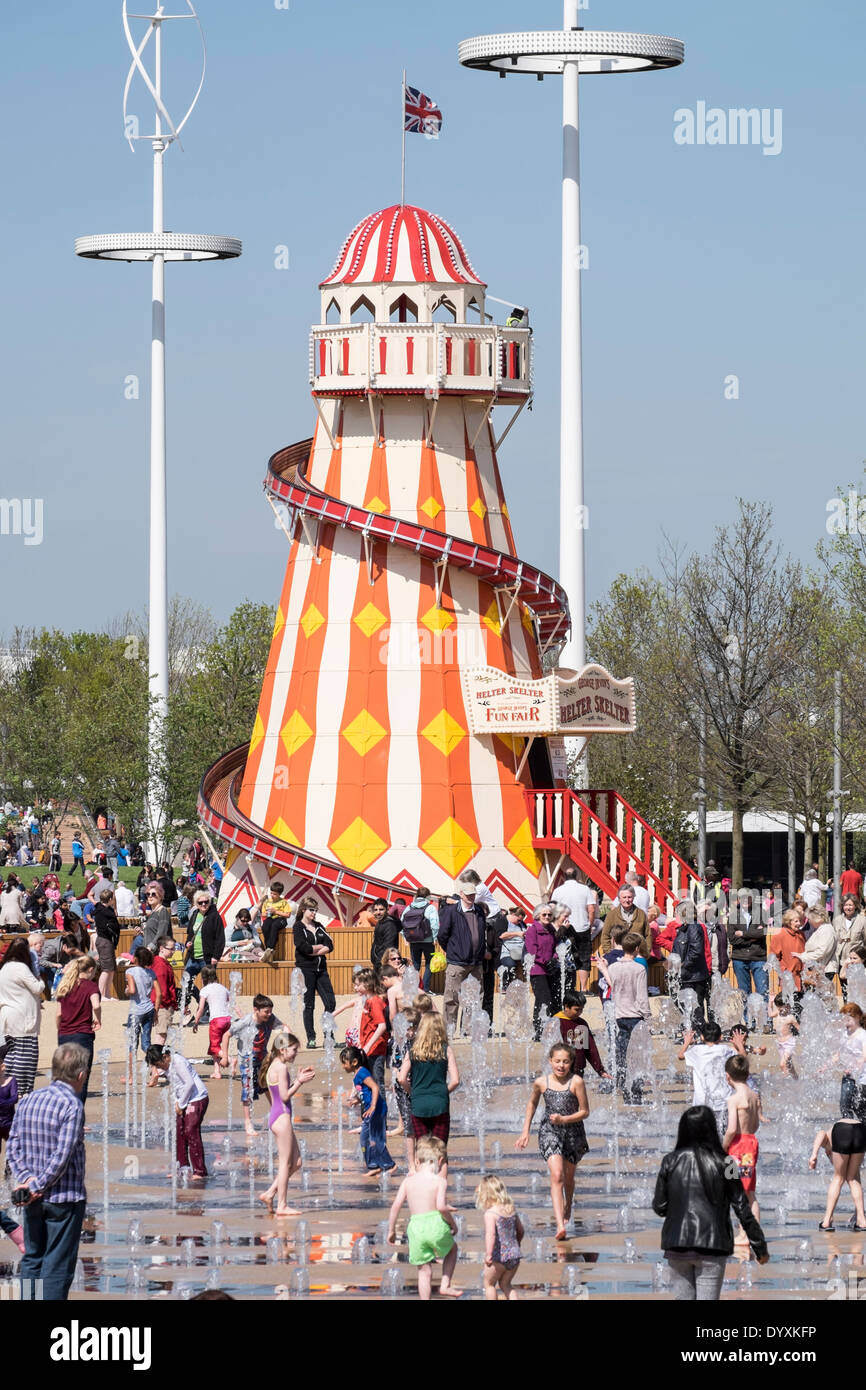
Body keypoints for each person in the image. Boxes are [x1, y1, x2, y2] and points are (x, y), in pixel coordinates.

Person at [653, 1105, 768, 1300]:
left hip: (677, 1245)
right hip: (712, 1245)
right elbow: (741, 1205)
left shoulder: (669, 1161)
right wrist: (759, 1246)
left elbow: (660, 1206)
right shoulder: (727, 1163)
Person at [7, 1041, 90, 1301]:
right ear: (81, 1075)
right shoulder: (72, 1105)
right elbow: (61, 1156)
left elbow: (13, 1146)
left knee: (33, 1258)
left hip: (31, 1196)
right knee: (57, 1265)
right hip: (64, 1198)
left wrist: (27, 1181)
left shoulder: (30, 1099)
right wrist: (37, 1185)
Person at [516, 1041, 589, 1240]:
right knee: (556, 1175)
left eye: (565, 1062)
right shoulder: (541, 1082)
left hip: (573, 1132)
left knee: (568, 1177)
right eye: (557, 1061)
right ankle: (559, 1225)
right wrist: (525, 1131)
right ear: (550, 1061)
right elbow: (532, 1104)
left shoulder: (577, 1082)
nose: (561, 1065)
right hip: (549, 1131)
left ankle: (569, 1203)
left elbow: (585, 1111)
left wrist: (565, 1119)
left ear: (571, 1062)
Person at [386, 1134, 460, 1299]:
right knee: (452, 1250)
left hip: (415, 1229)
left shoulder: (407, 1182)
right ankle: (445, 1285)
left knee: (424, 1271)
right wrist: (453, 1224)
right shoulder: (439, 1182)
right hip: (435, 1224)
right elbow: (441, 1207)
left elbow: (396, 1205)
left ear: (417, 1162)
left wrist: (391, 1230)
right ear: (440, 1161)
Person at [257, 1031, 315, 1215]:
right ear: (283, 1050)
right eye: (294, 1050)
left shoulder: (275, 1064)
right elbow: (284, 1096)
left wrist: (296, 1078)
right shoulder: (280, 1068)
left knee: (296, 1162)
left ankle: (270, 1193)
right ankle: (281, 1205)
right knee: (284, 1163)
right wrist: (299, 1081)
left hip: (278, 1116)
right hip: (281, 1117)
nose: (296, 1053)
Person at [397, 1011, 459, 1174]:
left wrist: (413, 1092)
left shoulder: (413, 1052)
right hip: (440, 1105)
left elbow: (401, 1078)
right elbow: (455, 1081)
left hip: (419, 1106)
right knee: (441, 1153)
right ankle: (441, 1193)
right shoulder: (446, 1050)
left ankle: (422, 1191)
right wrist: (442, 1093)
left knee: (423, 1152)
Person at [596, 932, 651, 1102]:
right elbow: (642, 996)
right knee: (637, 1057)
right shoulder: (639, 968)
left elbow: (613, 986)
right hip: (635, 1017)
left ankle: (623, 1088)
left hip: (618, 1016)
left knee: (622, 1055)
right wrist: (648, 1017)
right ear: (636, 949)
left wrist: (604, 969)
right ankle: (635, 1092)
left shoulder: (614, 967)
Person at [146, 1045, 209, 1180]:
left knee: (190, 1130)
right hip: (184, 1100)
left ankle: (200, 1171)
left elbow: (189, 1084)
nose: (160, 1067)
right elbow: (174, 1082)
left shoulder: (177, 1061)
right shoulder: (166, 1064)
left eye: (159, 1064)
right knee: (179, 1132)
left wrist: (180, 1104)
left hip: (198, 1098)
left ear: (165, 1057)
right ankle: (182, 1169)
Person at [222, 995, 282, 1136]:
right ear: (256, 1009)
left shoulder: (270, 1018)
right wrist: (225, 1056)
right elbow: (226, 1035)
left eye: (270, 1011)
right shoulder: (245, 1022)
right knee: (248, 1091)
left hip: (263, 1060)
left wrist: (288, 1035)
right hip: (247, 1062)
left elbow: (283, 1026)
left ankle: (276, 1113)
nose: (269, 1014)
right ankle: (248, 1122)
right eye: (266, 1012)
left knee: (269, 1085)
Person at [436, 875, 488, 1034]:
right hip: (457, 963)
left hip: (476, 963)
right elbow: (442, 936)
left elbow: (481, 933)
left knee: (474, 1000)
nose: (470, 897)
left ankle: (468, 1030)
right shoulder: (451, 911)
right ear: (461, 894)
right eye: (467, 894)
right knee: (451, 999)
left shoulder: (479, 911)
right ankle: (449, 1031)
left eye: (473, 894)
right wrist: (453, 951)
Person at [722, 1054, 762, 1242]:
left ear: (727, 1076)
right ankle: (752, 1233)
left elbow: (730, 1129)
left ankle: (744, 1235)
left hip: (737, 1147)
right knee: (749, 1191)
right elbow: (755, 1126)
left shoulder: (734, 1099)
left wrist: (723, 1147)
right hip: (751, 1143)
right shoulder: (754, 1096)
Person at [340, 1044, 395, 1176]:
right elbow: (367, 1092)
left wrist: (373, 1106)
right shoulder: (358, 1074)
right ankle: (373, 1165)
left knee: (376, 1139)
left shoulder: (363, 1072)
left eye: (344, 1063)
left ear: (354, 1062)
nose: (343, 1066)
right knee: (364, 1139)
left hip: (376, 1110)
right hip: (370, 1111)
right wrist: (358, 1100)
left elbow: (375, 1087)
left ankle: (390, 1165)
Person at [809, 1106, 866, 1232]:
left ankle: (827, 1220)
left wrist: (814, 1154)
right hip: (861, 1130)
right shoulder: (833, 1145)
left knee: (838, 1178)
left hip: (842, 1130)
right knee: (853, 1179)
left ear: (828, 1153)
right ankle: (862, 1220)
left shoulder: (828, 1142)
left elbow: (821, 1133)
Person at [0, 937, 44, 1095]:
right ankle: (21, 1089)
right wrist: (36, 971)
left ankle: (6, 1085)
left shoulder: (5, 967)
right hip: (22, 1016)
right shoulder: (20, 967)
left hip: (8, 1015)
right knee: (26, 1053)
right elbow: (38, 987)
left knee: (12, 1052)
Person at [55, 957, 101, 1106]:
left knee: (65, 1075)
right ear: (90, 970)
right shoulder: (91, 986)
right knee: (81, 1077)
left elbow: (58, 1014)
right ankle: (77, 1117)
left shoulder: (65, 985)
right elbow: (96, 1005)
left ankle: (62, 1113)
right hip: (83, 1035)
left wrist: (60, 1029)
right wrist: (98, 1019)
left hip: (64, 1035)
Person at [677, 1021, 734, 1137]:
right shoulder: (725, 1050)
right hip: (723, 1101)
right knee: (723, 1134)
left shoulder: (696, 1051)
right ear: (721, 1037)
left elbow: (680, 1055)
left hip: (701, 1103)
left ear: (702, 1037)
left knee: (703, 1136)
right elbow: (741, 1055)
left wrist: (687, 1042)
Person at [292, 899, 336, 1049]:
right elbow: (303, 947)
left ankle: (328, 1035)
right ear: (303, 909)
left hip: (321, 970)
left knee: (330, 1002)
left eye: (316, 910)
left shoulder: (319, 927)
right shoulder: (298, 927)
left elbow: (330, 945)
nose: (314, 913)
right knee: (309, 1004)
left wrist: (315, 950)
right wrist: (317, 949)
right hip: (306, 969)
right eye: (311, 909)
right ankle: (311, 1037)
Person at [476, 1175, 523, 1301]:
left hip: (499, 1256)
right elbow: (521, 1230)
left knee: (489, 1284)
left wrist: (489, 1254)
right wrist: (516, 1244)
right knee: (506, 1285)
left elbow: (490, 1235)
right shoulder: (511, 1209)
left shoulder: (490, 1213)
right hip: (514, 1255)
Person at [551, 868, 596, 990]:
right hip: (582, 926)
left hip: (564, 926)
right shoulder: (585, 889)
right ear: (576, 876)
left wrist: (556, 925)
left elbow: (552, 909)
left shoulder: (558, 890)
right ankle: (583, 988)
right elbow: (591, 909)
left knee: (564, 956)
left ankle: (565, 986)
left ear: (564, 876)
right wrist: (590, 925)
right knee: (584, 958)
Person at [554, 989, 610, 1082]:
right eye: (576, 1009)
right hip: (561, 1072)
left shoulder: (582, 1023)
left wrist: (600, 1070)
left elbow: (590, 1049)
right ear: (566, 1007)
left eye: (581, 1009)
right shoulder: (557, 1022)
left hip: (578, 1071)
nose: (580, 1013)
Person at [0, 1049, 24, 1253]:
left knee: (12, 1156)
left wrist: (3, 1102)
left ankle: (9, 1179)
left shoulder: (11, 1081)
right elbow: (12, 1099)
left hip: (10, 1124)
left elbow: (14, 1098)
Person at [524, 903, 559, 1040]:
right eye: (544, 914)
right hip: (537, 970)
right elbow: (532, 951)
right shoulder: (533, 930)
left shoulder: (551, 929)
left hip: (549, 970)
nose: (547, 917)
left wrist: (554, 959)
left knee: (547, 1000)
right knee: (544, 1000)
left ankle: (544, 1030)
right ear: (538, 915)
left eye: (549, 915)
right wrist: (546, 961)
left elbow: (556, 947)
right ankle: (539, 1031)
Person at [726, 897, 768, 1006]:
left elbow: (763, 932)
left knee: (763, 990)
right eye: (743, 898)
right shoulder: (733, 916)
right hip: (740, 958)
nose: (746, 901)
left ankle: (766, 1020)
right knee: (744, 992)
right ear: (739, 899)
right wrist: (752, 939)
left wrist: (744, 935)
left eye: (748, 898)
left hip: (758, 957)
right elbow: (732, 939)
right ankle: (748, 1021)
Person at [148, 936, 179, 1079]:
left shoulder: (159, 963)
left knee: (160, 1036)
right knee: (160, 1037)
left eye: (174, 948)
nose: (173, 951)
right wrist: (170, 1003)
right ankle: (155, 1067)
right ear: (161, 948)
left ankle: (154, 1066)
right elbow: (162, 990)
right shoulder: (160, 965)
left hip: (162, 1004)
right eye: (171, 948)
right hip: (162, 1005)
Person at [193, 966, 232, 1080]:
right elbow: (232, 1004)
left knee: (214, 1047)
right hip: (227, 1019)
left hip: (216, 1020)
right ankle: (217, 1071)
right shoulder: (223, 988)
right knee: (216, 1046)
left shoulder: (205, 990)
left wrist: (196, 1022)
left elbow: (200, 1008)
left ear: (203, 978)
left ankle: (230, 1060)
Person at [182, 889, 223, 995]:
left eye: (206, 902)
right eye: (200, 902)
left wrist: (216, 956)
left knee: (209, 986)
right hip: (193, 956)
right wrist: (187, 943)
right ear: (196, 904)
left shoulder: (215, 916)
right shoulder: (195, 914)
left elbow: (220, 938)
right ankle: (199, 999)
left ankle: (208, 1008)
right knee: (185, 981)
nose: (204, 904)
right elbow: (190, 934)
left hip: (208, 958)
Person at [400, 889, 439, 990]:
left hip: (413, 940)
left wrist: (405, 938)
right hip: (428, 940)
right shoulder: (430, 907)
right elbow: (435, 924)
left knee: (415, 965)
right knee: (430, 964)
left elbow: (402, 923)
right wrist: (435, 938)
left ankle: (415, 988)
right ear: (428, 896)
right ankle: (425, 988)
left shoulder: (409, 907)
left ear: (416, 896)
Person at [768, 908, 805, 1013]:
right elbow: (773, 957)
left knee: (799, 1007)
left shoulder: (801, 934)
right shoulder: (780, 934)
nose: (799, 923)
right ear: (789, 922)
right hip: (787, 977)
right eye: (796, 921)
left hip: (800, 976)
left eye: (800, 921)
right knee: (788, 1007)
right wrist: (783, 971)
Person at [125, 945, 159, 1057]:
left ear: (135, 959)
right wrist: (156, 1012)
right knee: (146, 1043)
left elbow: (132, 990)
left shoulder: (130, 971)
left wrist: (126, 991)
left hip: (136, 1011)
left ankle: (130, 1074)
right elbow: (159, 994)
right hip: (149, 1008)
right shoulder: (151, 973)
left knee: (132, 1044)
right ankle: (154, 1068)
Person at [835, 1002, 866, 1122]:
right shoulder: (845, 1035)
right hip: (848, 1076)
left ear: (858, 1017)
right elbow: (838, 1054)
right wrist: (825, 1066)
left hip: (862, 1078)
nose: (846, 1022)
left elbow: (865, 1054)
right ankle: (849, 1131)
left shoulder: (863, 1034)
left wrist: (858, 1063)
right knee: (844, 1105)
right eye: (844, 1019)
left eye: (849, 1019)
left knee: (858, 1106)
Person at [598, 885, 648, 957]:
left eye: (629, 897)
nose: (627, 900)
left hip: (637, 957)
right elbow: (605, 936)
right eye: (624, 897)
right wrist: (610, 954)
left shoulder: (641, 914)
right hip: (617, 958)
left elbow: (648, 935)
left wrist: (644, 954)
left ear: (633, 897)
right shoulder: (612, 915)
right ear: (619, 899)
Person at [93, 887, 120, 1001]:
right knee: (106, 969)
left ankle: (107, 994)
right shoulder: (104, 912)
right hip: (104, 941)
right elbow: (111, 926)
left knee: (111, 968)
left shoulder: (102, 909)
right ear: (109, 899)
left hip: (106, 941)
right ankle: (101, 995)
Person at [258, 880, 295, 962]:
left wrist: (276, 912)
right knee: (265, 926)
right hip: (270, 918)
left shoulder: (283, 902)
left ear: (279, 894)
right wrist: (268, 913)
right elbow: (262, 914)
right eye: (271, 893)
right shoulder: (267, 902)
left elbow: (288, 915)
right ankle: (268, 949)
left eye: (275, 894)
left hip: (281, 919)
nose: (272, 895)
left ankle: (271, 948)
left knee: (275, 925)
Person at [767, 993, 799, 1077]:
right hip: (780, 1043)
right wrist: (770, 1003)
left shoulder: (791, 1017)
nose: (780, 1010)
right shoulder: (778, 1012)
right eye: (778, 1008)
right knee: (789, 1065)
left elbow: (799, 1029)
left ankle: (788, 1083)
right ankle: (796, 1080)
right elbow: (770, 1014)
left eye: (782, 1008)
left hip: (789, 1043)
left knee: (782, 1064)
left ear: (787, 1005)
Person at [368, 898, 401, 968]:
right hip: (378, 963)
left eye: (381, 909)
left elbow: (388, 948)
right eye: (376, 910)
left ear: (387, 910)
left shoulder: (389, 925)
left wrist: (381, 962)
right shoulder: (380, 922)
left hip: (385, 965)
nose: (378, 912)